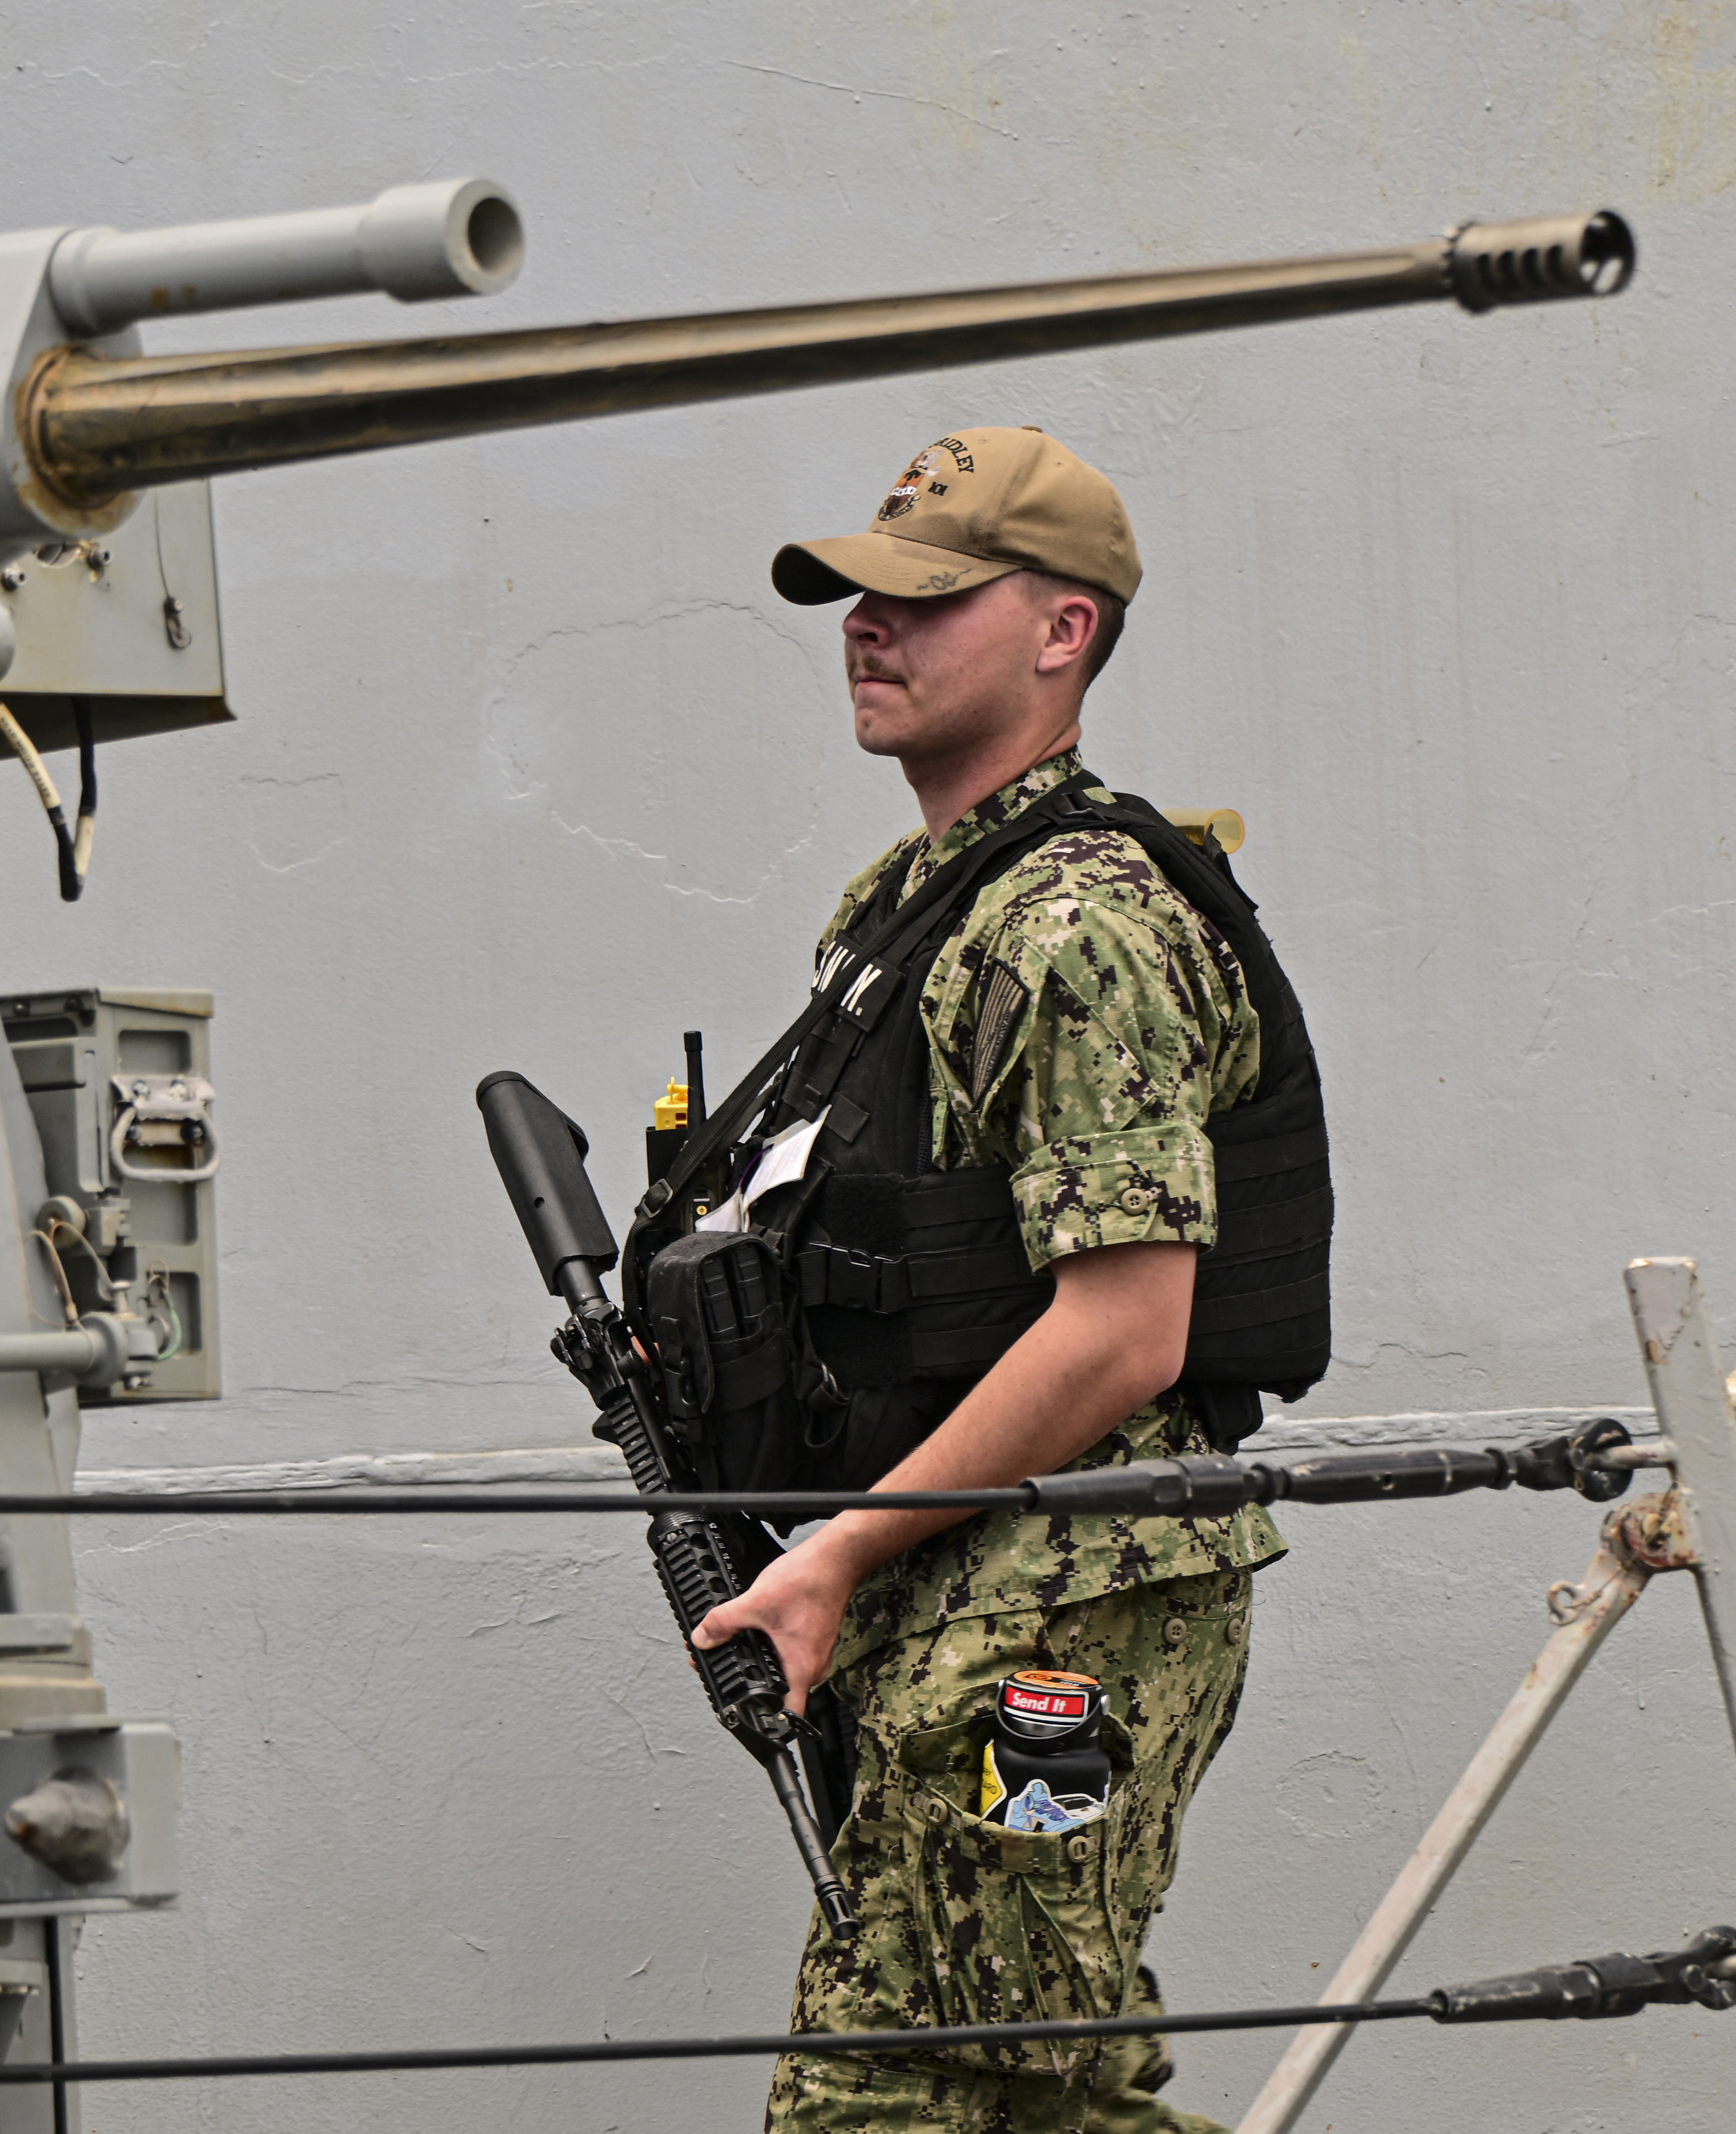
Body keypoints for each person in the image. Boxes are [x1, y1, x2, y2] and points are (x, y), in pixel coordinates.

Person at [682, 426, 1329, 2132]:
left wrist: (837, 1552)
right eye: (854, 596)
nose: (865, 626)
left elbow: (1127, 1327)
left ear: (1064, 632)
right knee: (1021, 2094)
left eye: (923, 597)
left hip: (1066, 1602)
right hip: (958, 1574)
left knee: (908, 2096)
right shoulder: (907, 907)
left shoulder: (1078, 921)